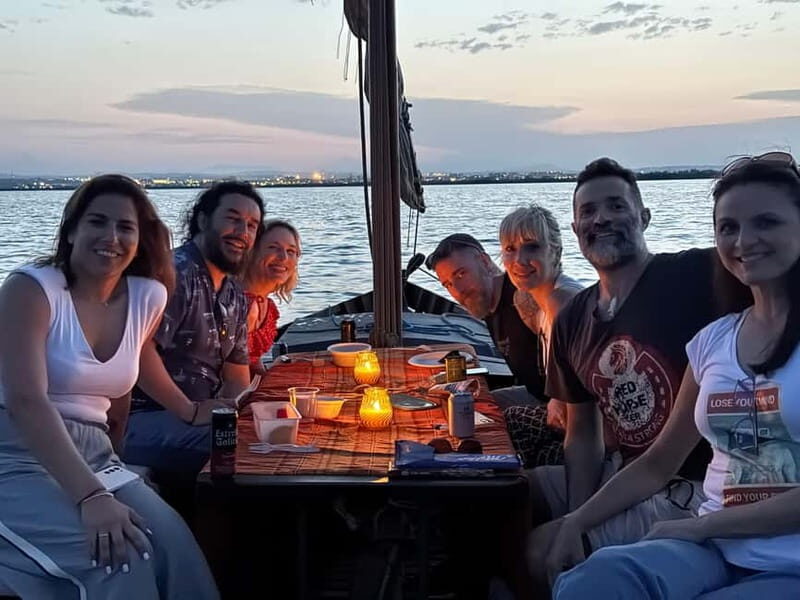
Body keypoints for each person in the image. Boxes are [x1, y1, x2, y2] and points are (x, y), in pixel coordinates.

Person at [551, 153, 800, 598]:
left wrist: (703, 526)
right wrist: (576, 520)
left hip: (786, 560)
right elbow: (658, 463)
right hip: (713, 550)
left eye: (766, 222)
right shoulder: (713, 342)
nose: (745, 240)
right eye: (728, 227)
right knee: (594, 579)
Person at [0, 175, 218, 598]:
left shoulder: (147, 296)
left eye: (125, 227)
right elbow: (26, 401)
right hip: (16, 454)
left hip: (95, 452)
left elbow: (121, 391)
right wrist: (92, 497)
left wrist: (121, 467)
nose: (111, 237)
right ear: (71, 231)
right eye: (97, 222)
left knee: (176, 548)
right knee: (120, 556)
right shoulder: (31, 289)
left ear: (139, 240)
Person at [527, 157, 733, 586]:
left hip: (690, 486)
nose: (601, 218)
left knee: (539, 549)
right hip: (625, 471)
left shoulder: (697, 275)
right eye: (589, 211)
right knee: (510, 494)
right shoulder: (573, 319)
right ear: (576, 229)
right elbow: (583, 434)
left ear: (644, 217)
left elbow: (764, 255)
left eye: (616, 206)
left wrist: (779, 177)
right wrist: (578, 515)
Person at [123, 180, 264, 476]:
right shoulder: (175, 274)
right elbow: (139, 350)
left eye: (252, 226)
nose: (242, 232)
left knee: (273, 432)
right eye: (233, 219)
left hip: (197, 415)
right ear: (202, 220)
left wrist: (244, 411)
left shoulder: (234, 294)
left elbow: (236, 375)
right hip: (140, 418)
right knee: (240, 446)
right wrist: (190, 411)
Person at [499, 204, 584, 468]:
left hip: (592, 435)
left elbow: (572, 404)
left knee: (510, 421)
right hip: (568, 422)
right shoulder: (539, 300)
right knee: (486, 407)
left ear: (556, 251)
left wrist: (557, 400)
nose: (519, 260)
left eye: (532, 247)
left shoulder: (563, 300)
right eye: (510, 249)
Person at [426, 233, 544, 408]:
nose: (457, 290)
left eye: (461, 274)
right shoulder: (488, 303)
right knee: (452, 404)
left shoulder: (524, 298)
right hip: (535, 392)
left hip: (563, 405)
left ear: (485, 262)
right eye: (448, 284)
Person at [241, 219, 301, 374]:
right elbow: (232, 372)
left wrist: (266, 376)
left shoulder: (266, 305)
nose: (283, 257)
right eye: (273, 248)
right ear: (251, 253)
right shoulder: (239, 303)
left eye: (291, 251)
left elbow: (251, 359)